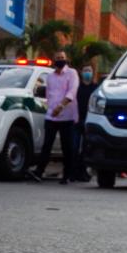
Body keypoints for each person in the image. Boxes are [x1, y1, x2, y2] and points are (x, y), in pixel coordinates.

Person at [30, 51, 80, 184]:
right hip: (51, 116)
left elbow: (72, 91)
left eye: (62, 58)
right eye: (58, 58)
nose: (60, 60)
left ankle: (67, 175)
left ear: (66, 59)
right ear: (54, 60)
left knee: (67, 147)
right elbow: (48, 94)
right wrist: (51, 108)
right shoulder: (50, 76)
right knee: (46, 145)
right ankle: (39, 172)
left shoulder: (72, 73)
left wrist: (61, 106)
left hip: (67, 116)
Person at [73, 63, 100, 182]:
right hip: (76, 120)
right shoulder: (77, 88)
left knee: (86, 148)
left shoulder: (96, 88)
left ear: (93, 72)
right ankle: (73, 172)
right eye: (85, 70)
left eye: (89, 70)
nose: (87, 72)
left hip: (89, 121)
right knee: (74, 147)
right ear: (81, 72)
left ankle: (83, 172)